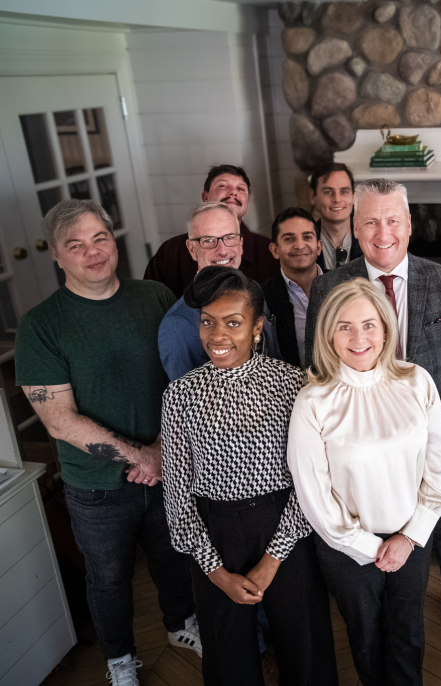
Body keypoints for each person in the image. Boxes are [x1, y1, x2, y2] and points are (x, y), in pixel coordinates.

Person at [16, 200, 200, 686]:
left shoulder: (156, 297)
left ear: (112, 239)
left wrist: (163, 448)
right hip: (96, 486)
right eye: (75, 245)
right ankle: (120, 661)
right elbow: (58, 420)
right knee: (109, 578)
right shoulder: (42, 324)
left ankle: (182, 626)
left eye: (99, 238)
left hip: (168, 466)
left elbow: (184, 379)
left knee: (175, 558)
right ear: (57, 256)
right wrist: (141, 456)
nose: (92, 252)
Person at [303, 179, 441, 661]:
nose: (381, 232)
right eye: (370, 222)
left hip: (438, 439)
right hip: (357, 456)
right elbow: (319, 368)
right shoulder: (328, 285)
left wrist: (431, 437)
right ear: (355, 228)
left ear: (408, 225)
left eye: (391, 220)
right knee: (376, 556)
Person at [161, 267, 337, 686]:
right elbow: (177, 496)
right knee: (228, 653)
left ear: (257, 327)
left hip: (287, 526)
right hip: (214, 532)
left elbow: (309, 480)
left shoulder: (295, 386)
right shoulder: (179, 396)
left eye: (233, 322)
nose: (217, 335)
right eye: (207, 322)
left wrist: (272, 559)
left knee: (305, 643)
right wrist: (216, 571)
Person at [289, 279, 441, 685]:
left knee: (408, 634)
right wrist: (372, 546)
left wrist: (408, 538)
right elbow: (314, 496)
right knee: (365, 638)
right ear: (328, 333)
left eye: (368, 324)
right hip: (346, 548)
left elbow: (440, 473)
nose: (358, 337)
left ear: (386, 328)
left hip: (411, 538)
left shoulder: (416, 381)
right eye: (344, 326)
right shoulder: (313, 401)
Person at [159, 202, 280, 381]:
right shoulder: (178, 325)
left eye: (229, 237)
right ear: (192, 249)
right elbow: (189, 402)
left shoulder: (253, 291)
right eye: (208, 240)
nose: (222, 250)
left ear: (240, 244)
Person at [144, 164, 279, 297]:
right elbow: (153, 303)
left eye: (241, 189)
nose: (233, 192)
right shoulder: (170, 251)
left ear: (247, 202)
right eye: (222, 186)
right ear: (205, 197)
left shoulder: (268, 251)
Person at [262, 207, 322, 368]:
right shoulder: (262, 298)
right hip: (290, 390)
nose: (299, 245)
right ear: (275, 250)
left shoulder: (343, 286)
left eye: (307, 237)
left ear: (318, 246)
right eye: (289, 239)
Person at [308, 161, 363, 271]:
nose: (337, 199)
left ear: (353, 196)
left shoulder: (371, 239)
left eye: (344, 191)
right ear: (313, 197)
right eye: (328, 192)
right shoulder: (304, 245)